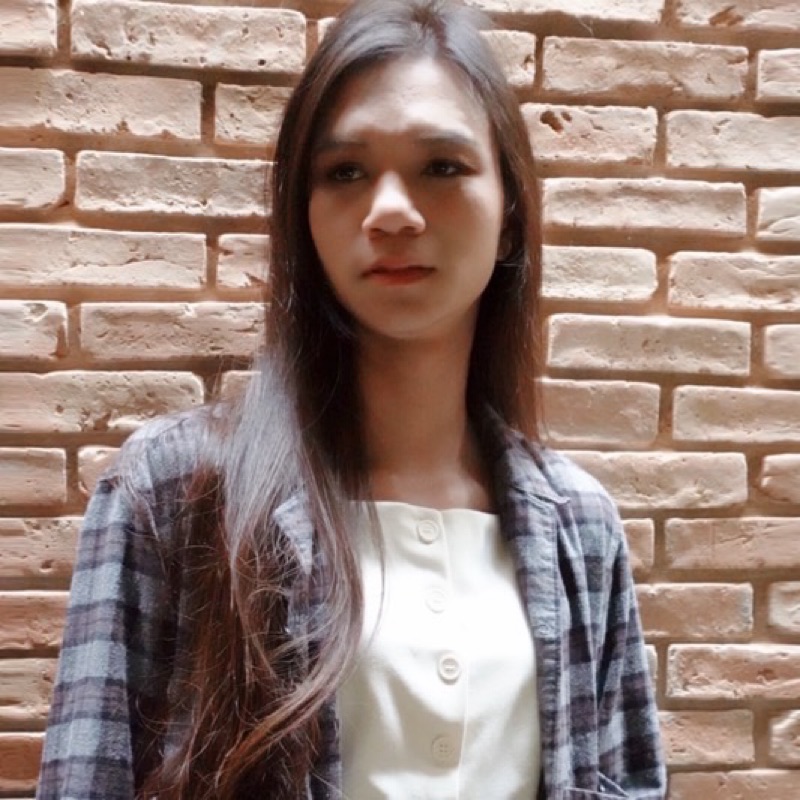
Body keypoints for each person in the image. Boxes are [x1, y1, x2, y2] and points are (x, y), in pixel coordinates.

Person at [36, 0, 666, 797]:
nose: (392, 210)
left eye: (442, 166)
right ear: (304, 218)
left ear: (509, 216)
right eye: (345, 172)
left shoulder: (580, 527)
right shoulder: (172, 492)